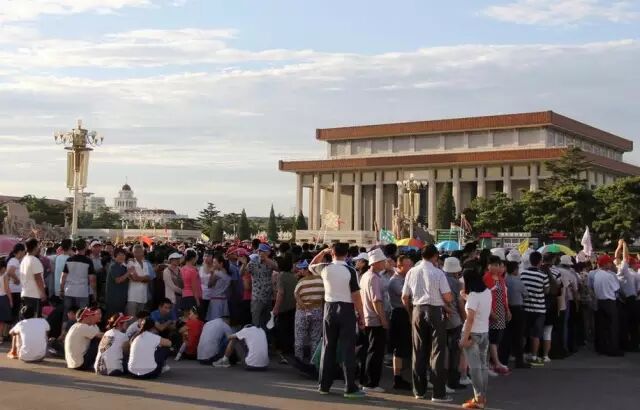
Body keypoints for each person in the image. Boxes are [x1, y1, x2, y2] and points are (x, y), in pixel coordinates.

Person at [309, 243, 366, 399]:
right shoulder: (350, 271)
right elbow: (356, 296)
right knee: (348, 349)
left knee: (328, 347)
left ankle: (324, 385)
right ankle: (349, 387)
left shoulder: (325, 268)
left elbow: (311, 265)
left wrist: (322, 252)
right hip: (346, 309)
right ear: (347, 254)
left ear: (332, 253)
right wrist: (361, 315)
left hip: (329, 308)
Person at [402, 244, 454, 403]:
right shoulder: (438, 273)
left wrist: (411, 313)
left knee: (418, 350)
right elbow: (448, 297)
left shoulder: (412, 271)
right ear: (435, 256)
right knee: (437, 351)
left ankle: (419, 390)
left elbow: (405, 297)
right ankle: (438, 393)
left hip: (418, 309)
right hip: (435, 311)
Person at [459, 269, 492, 409]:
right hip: (484, 332)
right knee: (483, 366)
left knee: (475, 368)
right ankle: (482, 396)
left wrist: (464, 339)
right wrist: (466, 297)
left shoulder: (473, 296)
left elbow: (470, 319)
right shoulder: (487, 292)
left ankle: (478, 399)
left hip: (472, 333)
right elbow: (480, 305)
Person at [359, 248, 389, 393]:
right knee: (375, 352)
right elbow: (377, 300)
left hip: (367, 317)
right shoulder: (375, 278)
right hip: (375, 319)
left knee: (368, 350)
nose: (384, 263)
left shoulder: (365, 276)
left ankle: (365, 380)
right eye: (382, 261)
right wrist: (383, 319)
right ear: (376, 262)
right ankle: (371, 383)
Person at [387, 255, 412, 390]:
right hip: (399, 314)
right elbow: (406, 295)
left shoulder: (404, 278)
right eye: (408, 265)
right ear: (399, 266)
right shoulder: (395, 281)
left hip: (404, 313)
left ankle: (402, 376)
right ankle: (397, 377)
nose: (411, 268)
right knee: (399, 347)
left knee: (405, 347)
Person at [520, 251, 549, 366]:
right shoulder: (543, 275)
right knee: (536, 335)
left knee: (523, 333)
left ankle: (521, 355)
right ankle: (534, 356)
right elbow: (546, 291)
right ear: (540, 262)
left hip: (525, 308)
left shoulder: (523, 274)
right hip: (539, 309)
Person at [483, 256, 511, 375]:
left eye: (497, 265)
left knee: (497, 337)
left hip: (501, 311)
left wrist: (507, 310)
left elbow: (504, 296)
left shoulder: (500, 278)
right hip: (492, 312)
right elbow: (486, 297)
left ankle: (493, 362)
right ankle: (495, 363)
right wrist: (491, 312)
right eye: (493, 265)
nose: (496, 267)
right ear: (488, 266)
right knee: (492, 338)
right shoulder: (486, 277)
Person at [442, 256, 467, 390]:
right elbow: (460, 304)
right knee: (455, 352)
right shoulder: (457, 283)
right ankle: (453, 381)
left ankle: (443, 380)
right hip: (454, 319)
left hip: (440, 318)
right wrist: (465, 319)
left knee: (443, 351)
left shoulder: (440, 278)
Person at [293, 259, 324, 365]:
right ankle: (313, 362)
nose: (299, 271)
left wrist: (305, 308)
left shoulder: (301, 282)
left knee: (299, 337)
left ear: (307, 269)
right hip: (317, 311)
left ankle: (299, 360)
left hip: (303, 312)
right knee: (315, 338)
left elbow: (296, 296)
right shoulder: (321, 281)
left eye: (301, 269)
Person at [593, 254, 623, 356]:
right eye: (610, 262)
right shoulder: (609, 276)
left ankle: (602, 348)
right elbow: (617, 289)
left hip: (600, 302)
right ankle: (613, 349)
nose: (611, 264)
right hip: (609, 302)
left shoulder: (597, 274)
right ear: (605, 264)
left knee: (602, 327)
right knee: (612, 327)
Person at [501, 260, 529, 368]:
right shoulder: (518, 281)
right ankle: (519, 360)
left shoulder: (504, 280)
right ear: (515, 270)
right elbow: (526, 294)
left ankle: (504, 359)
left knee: (506, 335)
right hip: (518, 309)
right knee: (518, 336)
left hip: (506, 308)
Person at [244, 243, 278, 329]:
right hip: (257, 297)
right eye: (259, 251)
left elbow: (277, 268)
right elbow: (244, 272)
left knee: (267, 322)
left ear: (268, 252)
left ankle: (266, 336)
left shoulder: (271, 262)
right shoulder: (253, 262)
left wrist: (266, 259)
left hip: (268, 297)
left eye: (263, 251)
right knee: (256, 323)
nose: (260, 253)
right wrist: (244, 263)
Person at [60, 239, 96, 319]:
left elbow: (63, 277)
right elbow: (92, 280)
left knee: (66, 315)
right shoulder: (88, 261)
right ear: (85, 247)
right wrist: (94, 293)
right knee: (82, 316)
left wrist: (61, 290)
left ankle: (65, 327)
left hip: (69, 291)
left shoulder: (69, 260)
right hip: (82, 292)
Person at [614, 240, 638, 352]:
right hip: (630, 299)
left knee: (625, 323)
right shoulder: (625, 270)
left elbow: (617, 256)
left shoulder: (618, 272)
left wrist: (619, 246)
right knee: (633, 323)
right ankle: (633, 345)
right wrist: (623, 245)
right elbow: (624, 256)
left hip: (623, 299)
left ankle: (626, 344)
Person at [272, 255, 297, 362]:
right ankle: (290, 353)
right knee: (290, 331)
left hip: (283, 308)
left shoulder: (281, 276)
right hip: (293, 307)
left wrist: (276, 308)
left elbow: (280, 293)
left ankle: (285, 355)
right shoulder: (293, 277)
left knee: (282, 332)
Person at [20, 238, 47, 317]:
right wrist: (43, 293)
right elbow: (38, 278)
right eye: (38, 245)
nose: (39, 247)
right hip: (34, 295)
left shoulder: (24, 259)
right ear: (35, 247)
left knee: (26, 319)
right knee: (34, 319)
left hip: (25, 293)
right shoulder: (34, 260)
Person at [126, 245, 152, 316]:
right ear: (133, 253)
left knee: (140, 320)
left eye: (139, 252)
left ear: (143, 252)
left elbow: (148, 278)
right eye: (135, 252)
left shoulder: (145, 263)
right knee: (131, 319)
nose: (138, 254)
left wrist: (139, 278)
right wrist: (144, 278)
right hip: (132, 297)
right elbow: (134, 278)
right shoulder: (130, 263)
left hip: (143, 297)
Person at [206, 254, 232, 321]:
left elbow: (209, 285)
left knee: (214, 321)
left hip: (216, 300)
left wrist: (212, 273)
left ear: (221, 263)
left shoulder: (217, 274)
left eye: (215, 262)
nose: (213, 264)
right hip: (224, 300)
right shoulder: (227, 274)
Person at [105, 248, 129, 318]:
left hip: (121, 299)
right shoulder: (114, 266)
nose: (121, 256)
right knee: (112, 319)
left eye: (123, 255)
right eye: (119, 255)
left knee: (120, 319)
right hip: (113, 299)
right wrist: (128, 272)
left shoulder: (123, 267)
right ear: (115, 256)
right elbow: (117, 280)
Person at [6, 243, 26, 325]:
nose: (25, 253)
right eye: (24, 251)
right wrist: (16, 279)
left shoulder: (14, 260)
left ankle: (11, 327)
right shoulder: (14, 260)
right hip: (14, 290)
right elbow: (10, 271)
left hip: (14, 290)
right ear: (20, 251)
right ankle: (12, 327)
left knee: (14, 311)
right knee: (14, 311)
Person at [0, 259, 13, 343]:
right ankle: (1, 336)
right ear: (3, 268)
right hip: (3, 298)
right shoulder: (4, 276)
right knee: (2, 319)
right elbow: (7, 289)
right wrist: (11, 300)